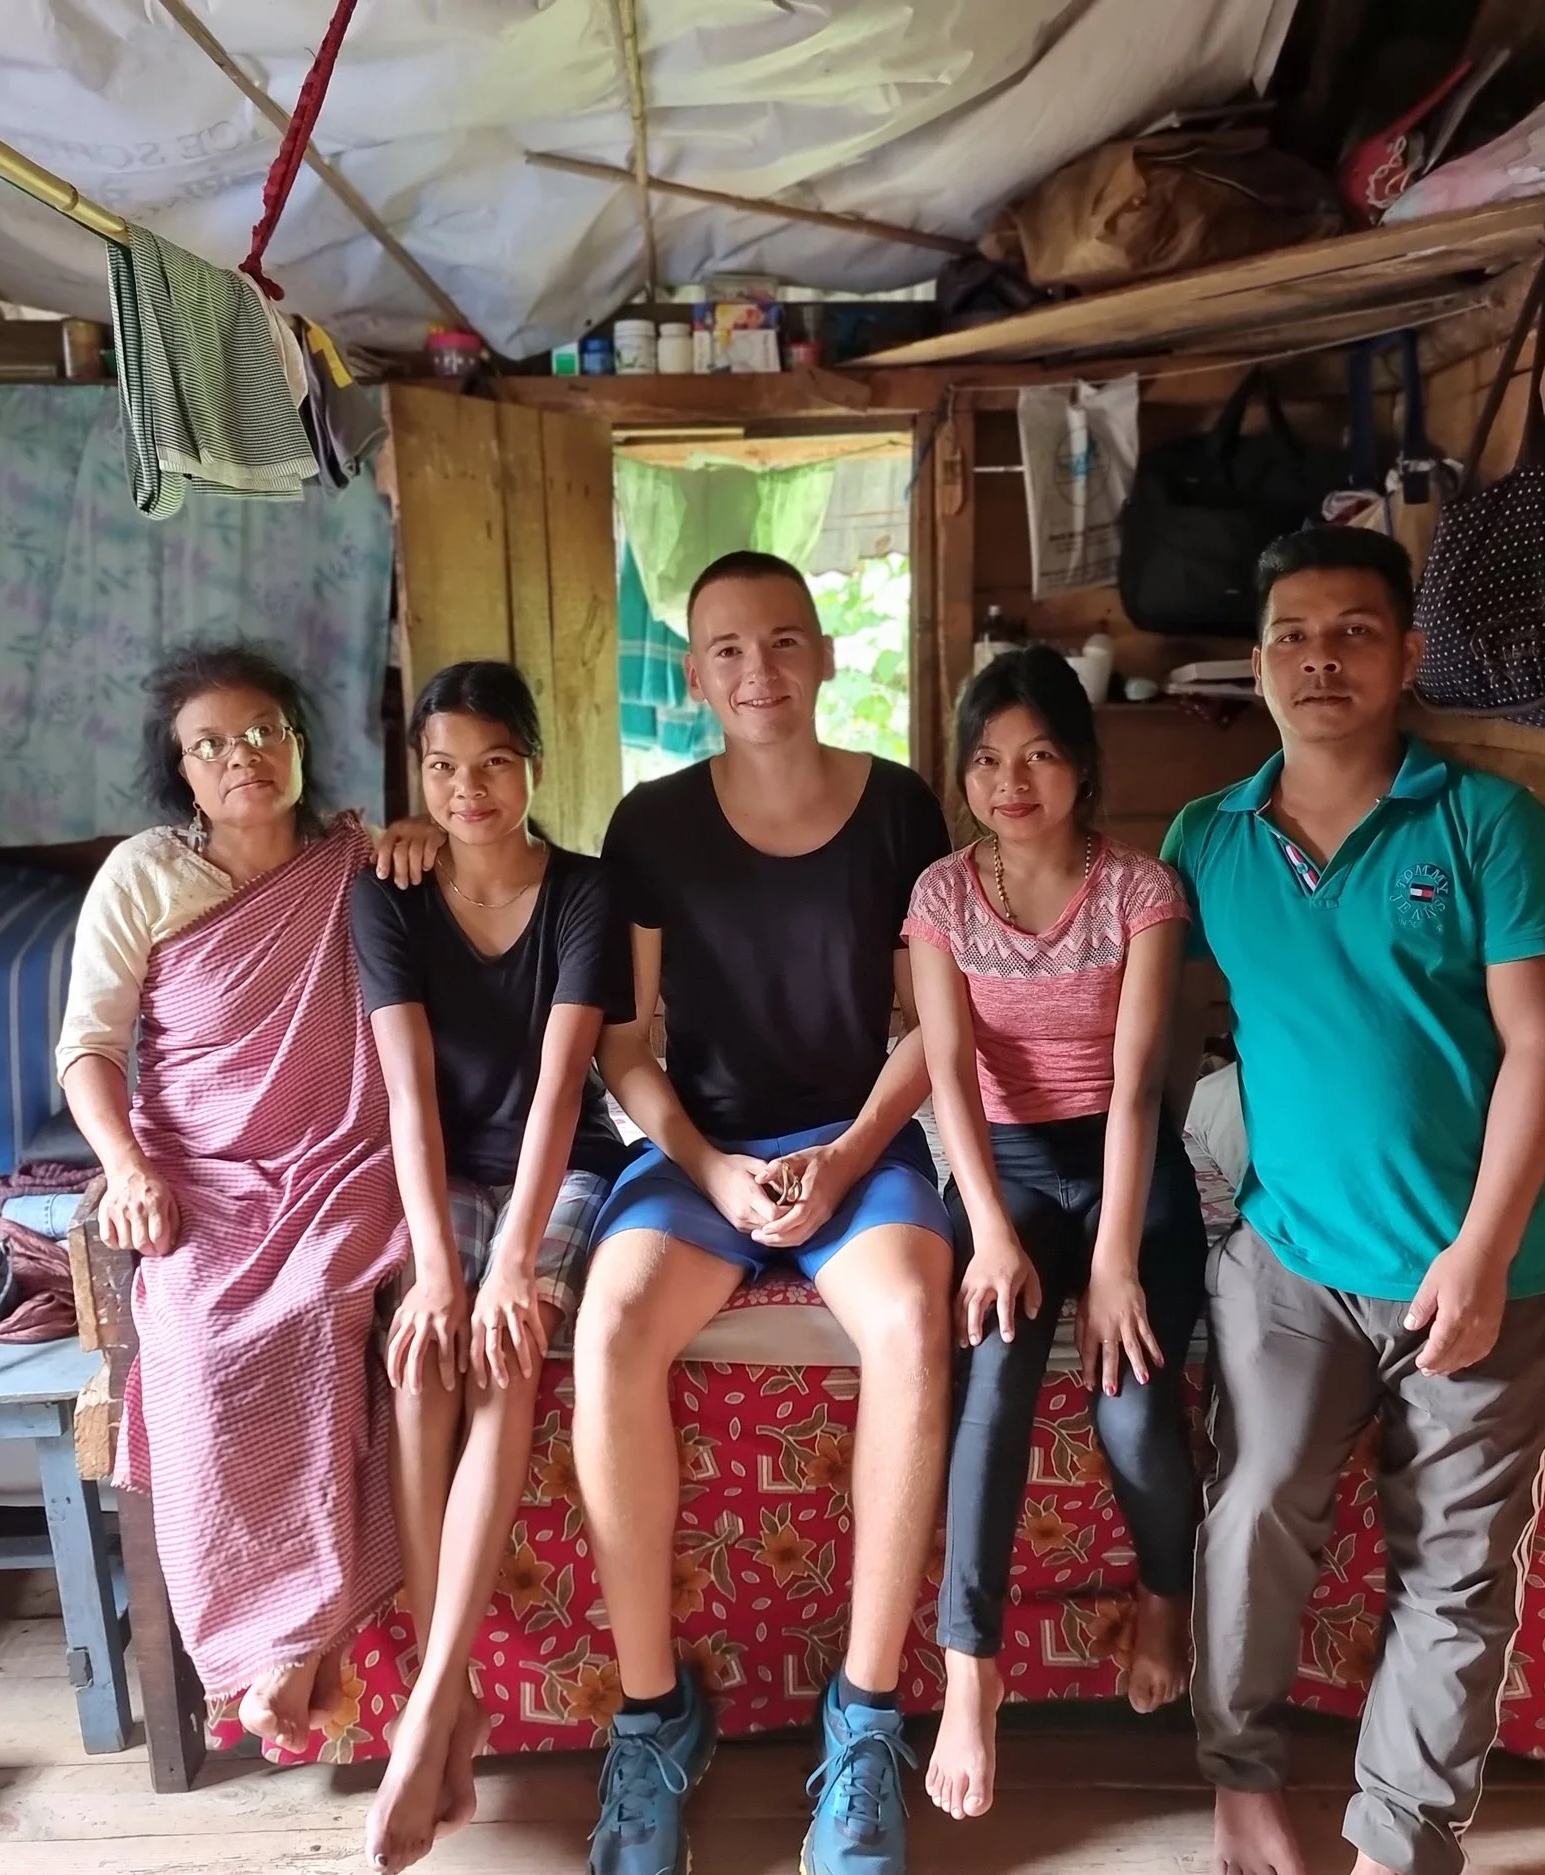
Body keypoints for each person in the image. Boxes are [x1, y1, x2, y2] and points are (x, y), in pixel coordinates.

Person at [1166, 528, 1545, 1875]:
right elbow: (1105, 1007)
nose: (1320, 657)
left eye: (1354, 630)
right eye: (1292, 632)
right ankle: (1240, 1778)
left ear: (1409, 656)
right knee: (1253, 1508)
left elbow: (1541, 1045)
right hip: (1292, 1256)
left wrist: (1479, 1252)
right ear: (1256, 664)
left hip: (1487, 1269)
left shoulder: (1486, 825)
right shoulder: (1207, 839)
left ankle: (1398, 1843)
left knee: (1458, 1571)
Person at [578, 551, 954, 1875]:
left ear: (827, 655)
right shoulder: (654, 825)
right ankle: (652, 1714)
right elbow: (627, 1043)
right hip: (705, 1144)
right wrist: (713, 1165)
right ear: (694, 673)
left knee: (913, 1317)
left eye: (786, 640)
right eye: (729, 648)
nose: (760, 670)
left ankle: (861, 1722)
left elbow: (935, 1027)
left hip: (857, 1134)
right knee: (613, 1322)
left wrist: (850, 1157)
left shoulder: (902, 808)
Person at [56, 644, 437, 1768]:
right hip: (205, 1182)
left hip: (335, 1167)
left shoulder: (358, 860)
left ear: (300, 743)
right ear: (181, 770)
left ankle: (294, 1658)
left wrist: (417, 840)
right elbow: (88, 1047)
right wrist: (126, 1169)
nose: (242, 759)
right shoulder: (144, 875)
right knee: (196, 1349)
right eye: (210, 744)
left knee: (326, 1326)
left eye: (263, 732)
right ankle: (284, 1656)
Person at [903, 645, 1209, 1823]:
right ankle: (971, 1678)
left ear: (1081, 768)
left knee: (1132, 1404)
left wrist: (1117, 1262)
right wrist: (988, 1233)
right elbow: (948, 1067)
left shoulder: (1139, 890)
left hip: (1125, 1166)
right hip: (1005, 1169)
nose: (1009, 780)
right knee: (991, 1393)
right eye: (986, 759)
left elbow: (1137, 1088)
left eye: (1036, 755)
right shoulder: (939, 895)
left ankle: (1165, 1596)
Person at [350, 662, 635, 1871]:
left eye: (493, 764)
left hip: (557, 1169)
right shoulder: (387, 895)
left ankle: (429, 1711)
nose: (468, 790)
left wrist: (511, 1264)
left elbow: (568, 1088)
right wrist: (432, 1266)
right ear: (420, 776)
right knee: (420, 1363)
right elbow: (408, 1097)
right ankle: (447, 1693)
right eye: (442, 767)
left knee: (506, 1360)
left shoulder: (584, 893)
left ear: (531, 767)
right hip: (441, 1172)